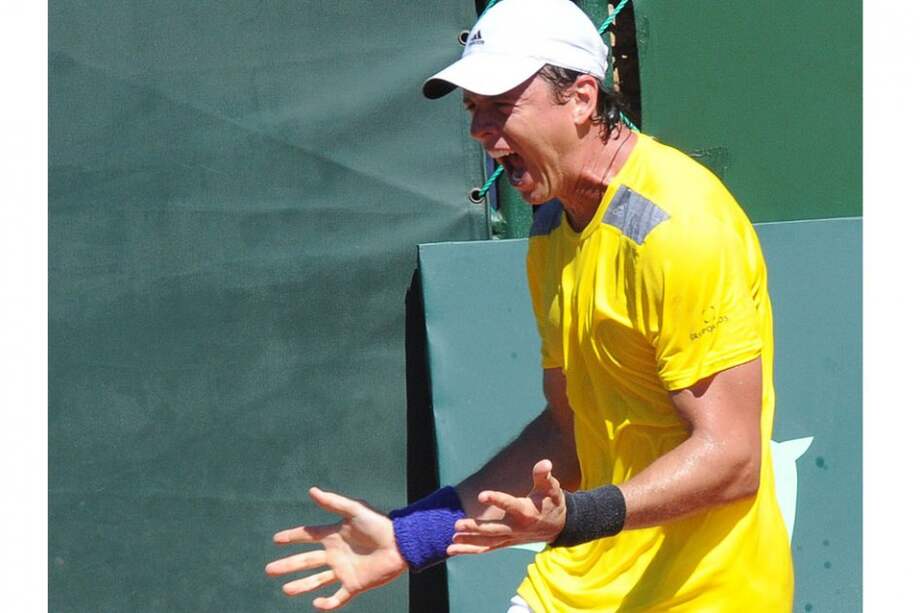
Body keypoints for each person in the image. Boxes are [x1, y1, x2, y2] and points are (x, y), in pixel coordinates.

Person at [265, 0, 794, 610]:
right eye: (472, 110)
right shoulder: (551, 230)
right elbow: (569, 433)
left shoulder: (680, 228)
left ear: (582, 99)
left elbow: (733, 458)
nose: (480, 131)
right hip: (579, 586)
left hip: (704, 596)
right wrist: (414, 536)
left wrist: (575, 518)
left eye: (500, 106)